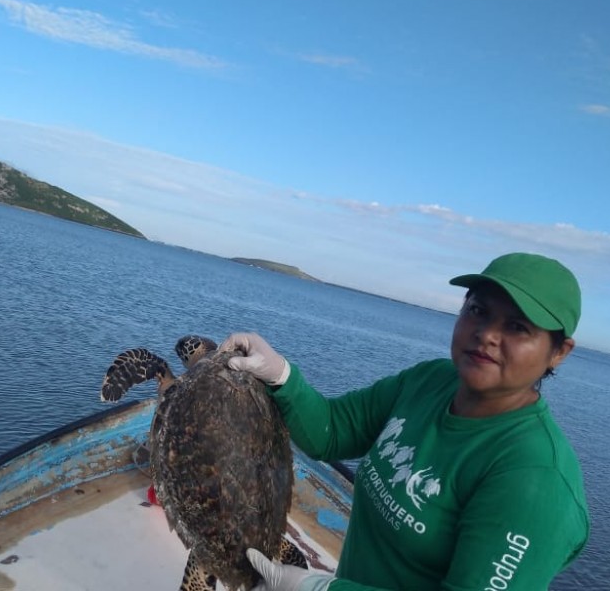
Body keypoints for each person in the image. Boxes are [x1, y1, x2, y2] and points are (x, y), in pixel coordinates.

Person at [220, 252, 590, 591]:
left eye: (518, 327)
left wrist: (318, 589)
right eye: (478, 310)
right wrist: (282, 375)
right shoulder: (429, 381)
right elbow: (331, 432)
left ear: (559, 352)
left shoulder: (536, 479)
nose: (488, 335)